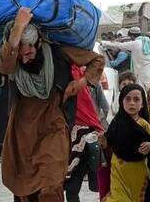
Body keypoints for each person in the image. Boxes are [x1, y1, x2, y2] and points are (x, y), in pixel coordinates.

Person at [0, 7, 104, 202]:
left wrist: (81, 82)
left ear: (38, 42)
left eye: (28, 52)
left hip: (53, 125)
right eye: (20, 55)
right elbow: (5, 66)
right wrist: (18, 28)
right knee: (24, 187)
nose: (25, 58)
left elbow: (97, 60)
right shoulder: (14, 62)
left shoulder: (58, 52)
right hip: (23, 131)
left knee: (51, 182)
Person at [98, 83, 150, 202]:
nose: (132, 103)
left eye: (136, 99)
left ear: (143, 104)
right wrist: (102, 140)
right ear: (121, 101)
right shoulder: (115, 123)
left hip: (138, 175)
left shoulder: (144, 125)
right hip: (118, 172)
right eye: (128, 99)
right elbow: (108, 144)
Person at [64, 66, 105, 202]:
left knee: (71, 188)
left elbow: (92, 109)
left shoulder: (79, 76)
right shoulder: (62, 73)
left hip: (82, 138)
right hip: (63, 135)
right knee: (69, 188)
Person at [102, 27, 150, 91]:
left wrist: (105, 43)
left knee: (141, 91)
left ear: (132, 36)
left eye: (130, 37)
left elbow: (119, 45)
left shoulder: (135, 43)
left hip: (140, 73)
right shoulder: (149, 41)